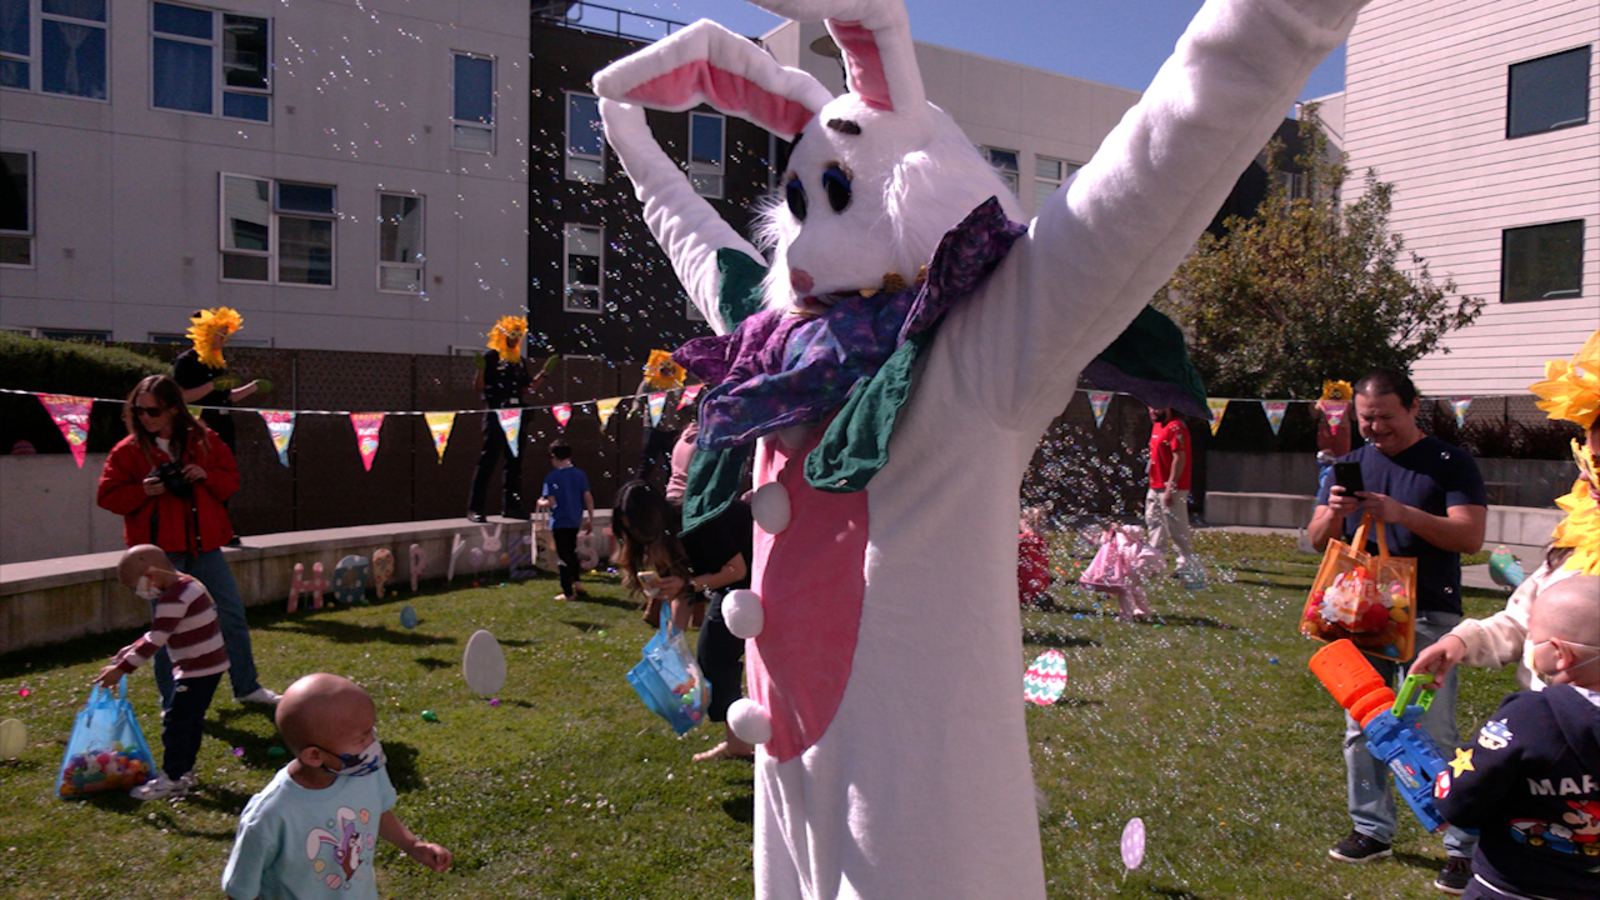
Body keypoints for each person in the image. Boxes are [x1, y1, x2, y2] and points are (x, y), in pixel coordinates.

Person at [1308, 367, 1489, 895]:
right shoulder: (1348, 464)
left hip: (1432, 617)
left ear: (1413, 409)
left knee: (1435, 733)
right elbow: (1317, 537)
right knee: (1363, 728)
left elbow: (1470, 537)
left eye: (1386, 417)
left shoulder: (1450, 462)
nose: (1376, 428)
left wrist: (1400, 512)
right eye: (1366, 419)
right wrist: (1335, 513)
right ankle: (1371, 830)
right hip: (1360, 618)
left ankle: (1461, 847)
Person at [1411, 332, 1600, 695]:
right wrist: (1460, 643)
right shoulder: (1579, 537)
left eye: (1598, 465)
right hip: (1545, 731)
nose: (1582, 475)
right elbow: (1523, 621)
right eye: (1584, 459)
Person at [96, 375, 279, 710]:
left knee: (231, 616)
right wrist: (143, 491)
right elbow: (107, 496)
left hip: (205, 546)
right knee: (168, 630)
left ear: (173, 409)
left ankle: (247, 687)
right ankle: (173, 702)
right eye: (138, 412)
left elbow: (231, 481)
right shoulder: (129, 450)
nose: (145, 418)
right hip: (161, 557)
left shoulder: (204, 439)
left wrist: (205, 475)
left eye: (152, 411)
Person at [1432, 575, 1600, 900]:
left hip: (1512, 887)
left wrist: (1445, 788)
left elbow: (1463, 798)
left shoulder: (1530, 717)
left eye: (1533, 638)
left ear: (1560, 654)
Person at [222, 673, 452, 899]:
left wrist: (413, 845)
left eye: (371, 732)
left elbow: (377, 811)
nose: (372, 745)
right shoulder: (270, 815)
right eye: (361, 740)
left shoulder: (365, 772)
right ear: (314, 756)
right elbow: (241, 890)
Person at [611, 479, 754, 762]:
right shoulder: (665, 536)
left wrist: (690, 584)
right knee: (713, 657)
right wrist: (673, 642)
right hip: (731, 588)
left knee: (725, 656)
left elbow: (736, 569)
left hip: (765, 574)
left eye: (637, 527)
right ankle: (738, 744)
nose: (635, 535)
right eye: (628, 530)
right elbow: (682, 593)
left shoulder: (699, 522)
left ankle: (776, 738)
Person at [92, 545, 229, 801]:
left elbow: (157, 639)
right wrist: (132, 648)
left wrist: (121, 670)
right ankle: (184, 772)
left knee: (176, 723)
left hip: (195, 669)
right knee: (191, 721)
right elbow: (162, 631)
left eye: (138, 586)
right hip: (211, 665)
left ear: (152, 574)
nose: (141, 592)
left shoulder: (172, 598)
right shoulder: (190, 584)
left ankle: (172, 778)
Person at [171, 307, 261, 546]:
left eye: (227, 333)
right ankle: (201, 531)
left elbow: (225, 397)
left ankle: (222, 529)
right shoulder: (186, 362)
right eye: (222, 333)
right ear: (206, 334)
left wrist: (252, 388)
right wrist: (213, 386)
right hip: (198, 429)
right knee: (200, 477)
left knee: (223, 477)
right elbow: (182, 397)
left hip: (223, 426)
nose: (226, 339)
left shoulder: (218, 362)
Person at [468, 315, 541, 523]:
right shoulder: (491, 357)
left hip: (516, 415)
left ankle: (512, 506)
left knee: (515, 463)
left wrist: (543, 375)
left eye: (519, 335)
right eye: (512, 334)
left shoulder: (519, 361)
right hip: (496, 414)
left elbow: (527, 388)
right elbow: (479, 387)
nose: (516, 339)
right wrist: (480, 369)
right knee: (488, 461)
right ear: (502, 334)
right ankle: (476, 508)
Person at [1145, 406, 1201, 577]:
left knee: (1176, 527)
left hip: (1172, 487)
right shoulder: (1157, 427)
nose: (1153, 411)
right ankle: (1155, 564)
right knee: (1154, 525)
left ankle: (1186, 564)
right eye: (1150, 407)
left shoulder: (1176, 427)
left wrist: (1171, 487)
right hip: (1155, 485)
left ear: (1168, 407)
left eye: (1157, 407)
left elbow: (1179, 457)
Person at [537, 439, 594, 602]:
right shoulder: (579, 474)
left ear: (554, 456)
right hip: (575, 520)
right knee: (572, 552)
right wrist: (591, 519)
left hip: (560, 521)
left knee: (563, 556)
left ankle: (568, 593)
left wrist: (541, 502)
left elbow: (551, 502)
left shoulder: (552, 477)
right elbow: (588, 498)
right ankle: (577, 584)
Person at [1079, 523, 1162, 621]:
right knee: (1133, 587)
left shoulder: (1122, 534)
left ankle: (1126, 616)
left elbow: (1137, 532)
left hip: (1144, 560)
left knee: (1124, 588)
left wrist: (1121, 529)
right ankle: (1143, 611)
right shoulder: (1109, 543)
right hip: (1138, 563)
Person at [1017, 508, 1051, 609]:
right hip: (1039, 583)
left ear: (1024, 521)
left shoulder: (1020, 539)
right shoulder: (1042, 540)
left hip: (1022, 583)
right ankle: (1037, 598)